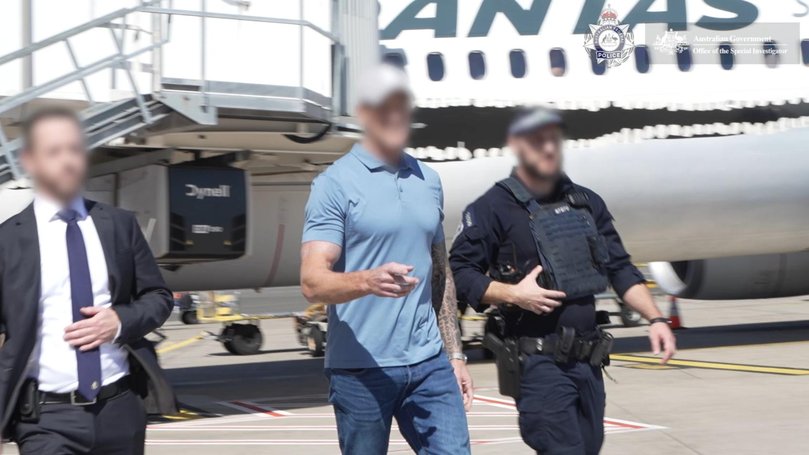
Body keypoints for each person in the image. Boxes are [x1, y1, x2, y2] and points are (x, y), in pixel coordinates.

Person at [449, 108, 677, 455]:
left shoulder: (585, 202)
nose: (548, 149)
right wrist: (514, 294)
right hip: (538, 363)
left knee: (587, 447)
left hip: (588, 362)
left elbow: (619, 268)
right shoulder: (492, 208)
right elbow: (461, 274)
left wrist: (656, 318)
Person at [300, 64, 472, 454]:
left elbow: (439, 273)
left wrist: (455, 355)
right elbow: (312, 282)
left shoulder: (428, 180)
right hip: (361, 369)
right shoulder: (334, 183)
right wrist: (366, 281)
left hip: (429, 363)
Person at [0, 108, 176, 454]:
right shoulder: (8, 241)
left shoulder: (119, 225)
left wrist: (119, 321)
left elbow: (158, 297)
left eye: (74, 150)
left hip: (119, 409)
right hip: (46, 419)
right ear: (30, 162)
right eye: (53, 152)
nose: (66, 161)